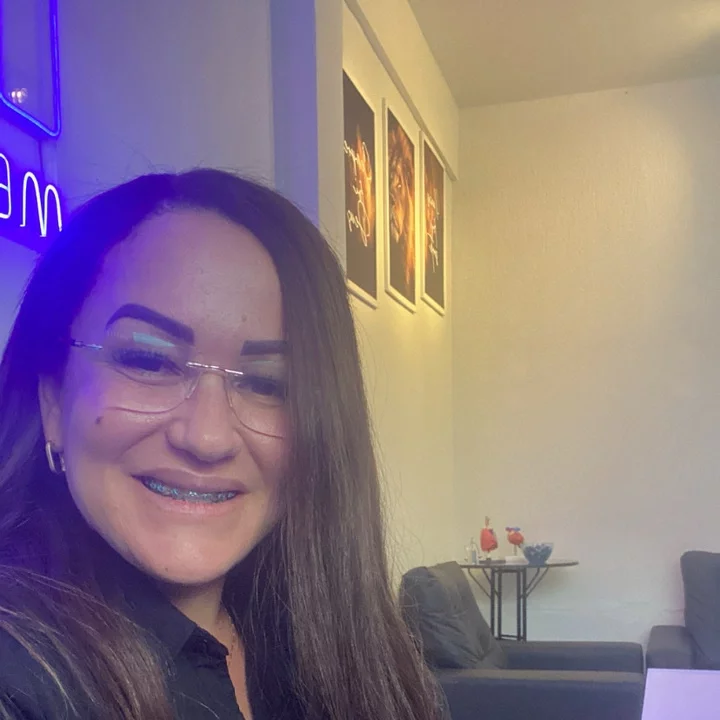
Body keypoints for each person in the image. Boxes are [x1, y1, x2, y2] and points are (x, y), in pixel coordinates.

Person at [0, 170, 446, 720]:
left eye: (267, 383)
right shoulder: (20, 672)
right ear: (52, 399)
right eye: (149, 361)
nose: (207, 437)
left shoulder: (339, 646)